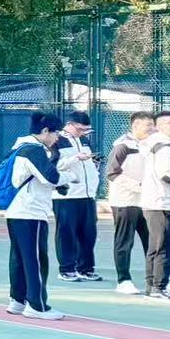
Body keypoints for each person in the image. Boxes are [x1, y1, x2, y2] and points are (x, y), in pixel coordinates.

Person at [4, 114, 65, 320]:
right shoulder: (34, 150)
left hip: (17, 210)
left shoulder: (19, 148)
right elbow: (51, 177)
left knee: (19, 257)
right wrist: (71, 176)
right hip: (31, 211)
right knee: (36, 259)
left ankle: (18, 300)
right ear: (45, 131)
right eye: (56, 132)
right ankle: (37, 305)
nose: (57, 137)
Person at [53, 110, 102, 282]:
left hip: (87, 195)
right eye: (80, 129)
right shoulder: (57, 140)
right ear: (69, 125)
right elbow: (53, 166)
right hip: (67, 196)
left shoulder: (84, 140)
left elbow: (88, 164)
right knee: (67, 233)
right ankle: (66, 269)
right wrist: (76, 158)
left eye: (86, 130)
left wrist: (94, 164)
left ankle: (86, 268)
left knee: (88, 234)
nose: (83, 133)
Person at [108, 112, 154, 294]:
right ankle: (123, 280)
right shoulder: (122, 146)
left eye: (152, 124)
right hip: (125, 201)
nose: (151, 128)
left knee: (152, 241)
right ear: (135, 126)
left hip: (147, 202)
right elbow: (112, 173)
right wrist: (140, 187)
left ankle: (156, 281)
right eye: (148, 125)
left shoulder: (151, 145)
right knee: (124, 242)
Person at [140, 112, 170, 299]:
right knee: (163, 246)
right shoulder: (164, 146)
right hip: (162, 203)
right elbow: (166, 174)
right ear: (159, 127)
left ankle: (154, 286)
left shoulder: (163, 144)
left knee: (157, 246)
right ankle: (158, 287)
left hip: (161, 202)